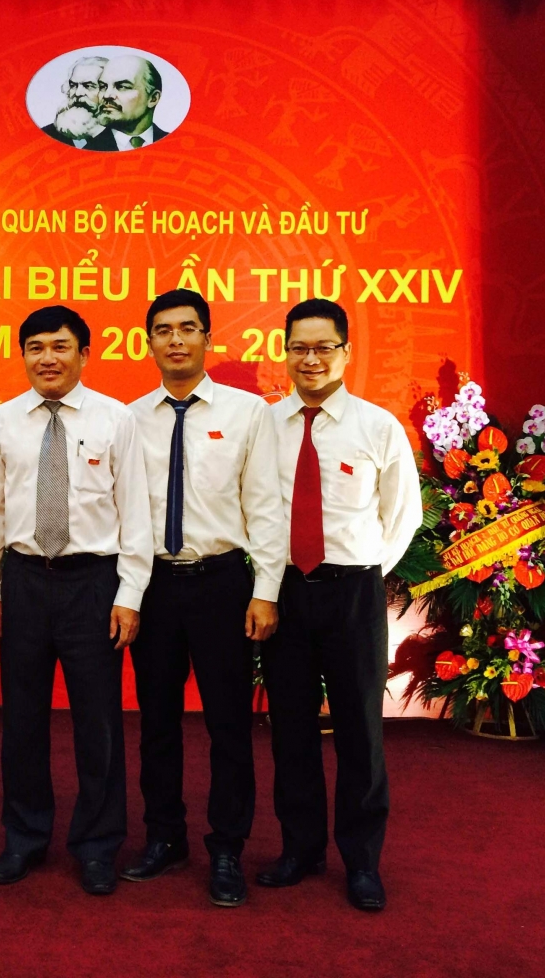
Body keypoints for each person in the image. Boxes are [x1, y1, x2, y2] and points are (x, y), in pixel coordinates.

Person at [0, 306, 152, 896]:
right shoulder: (2, 422)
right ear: (22, 355)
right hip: (25, 580)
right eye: (35, 347)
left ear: (84, 353)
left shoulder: (116, 419)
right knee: (21, 721)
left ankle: (97, 845)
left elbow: (136, 511)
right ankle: (23, 838)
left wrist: (129, 594)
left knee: (97, 723)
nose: (47, 358)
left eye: (60, 346)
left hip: (93, 584)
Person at [124, 289, 286, 907]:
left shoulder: (249, 414)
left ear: (208, 338)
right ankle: (164, 837)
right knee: (156, 722)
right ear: (148, 342)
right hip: (155, 586)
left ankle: (227, 849)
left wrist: (265, 591)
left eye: (187, 328)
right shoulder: (130, 419)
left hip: (222, 583)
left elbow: (264, 507)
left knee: (228, 724)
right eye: (163, 330)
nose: (175, 340)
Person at [259, 300, 421, 912]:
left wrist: (363, 571)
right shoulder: (267, 424)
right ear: (285, 353)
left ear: (346, 352)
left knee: (360, 731)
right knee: (291, 729)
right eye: (299, 347)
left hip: (353, 591)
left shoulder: (377, 427)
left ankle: (362, 862)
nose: (311, 359)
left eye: (324, 347)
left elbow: (403, 517)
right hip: (286, 593)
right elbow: (259, 509)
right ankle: (300, 849)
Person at [84, 55, 171, 152]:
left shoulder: (173, 144)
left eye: (122, 87)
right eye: (103, 87)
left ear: (153, 98)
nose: (107, 95)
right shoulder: (89, 151)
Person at [41, 56, 108, 148]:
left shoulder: (121, 136)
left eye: (88, 86)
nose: (78, 93)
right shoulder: (46, 135)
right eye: (73, 85)